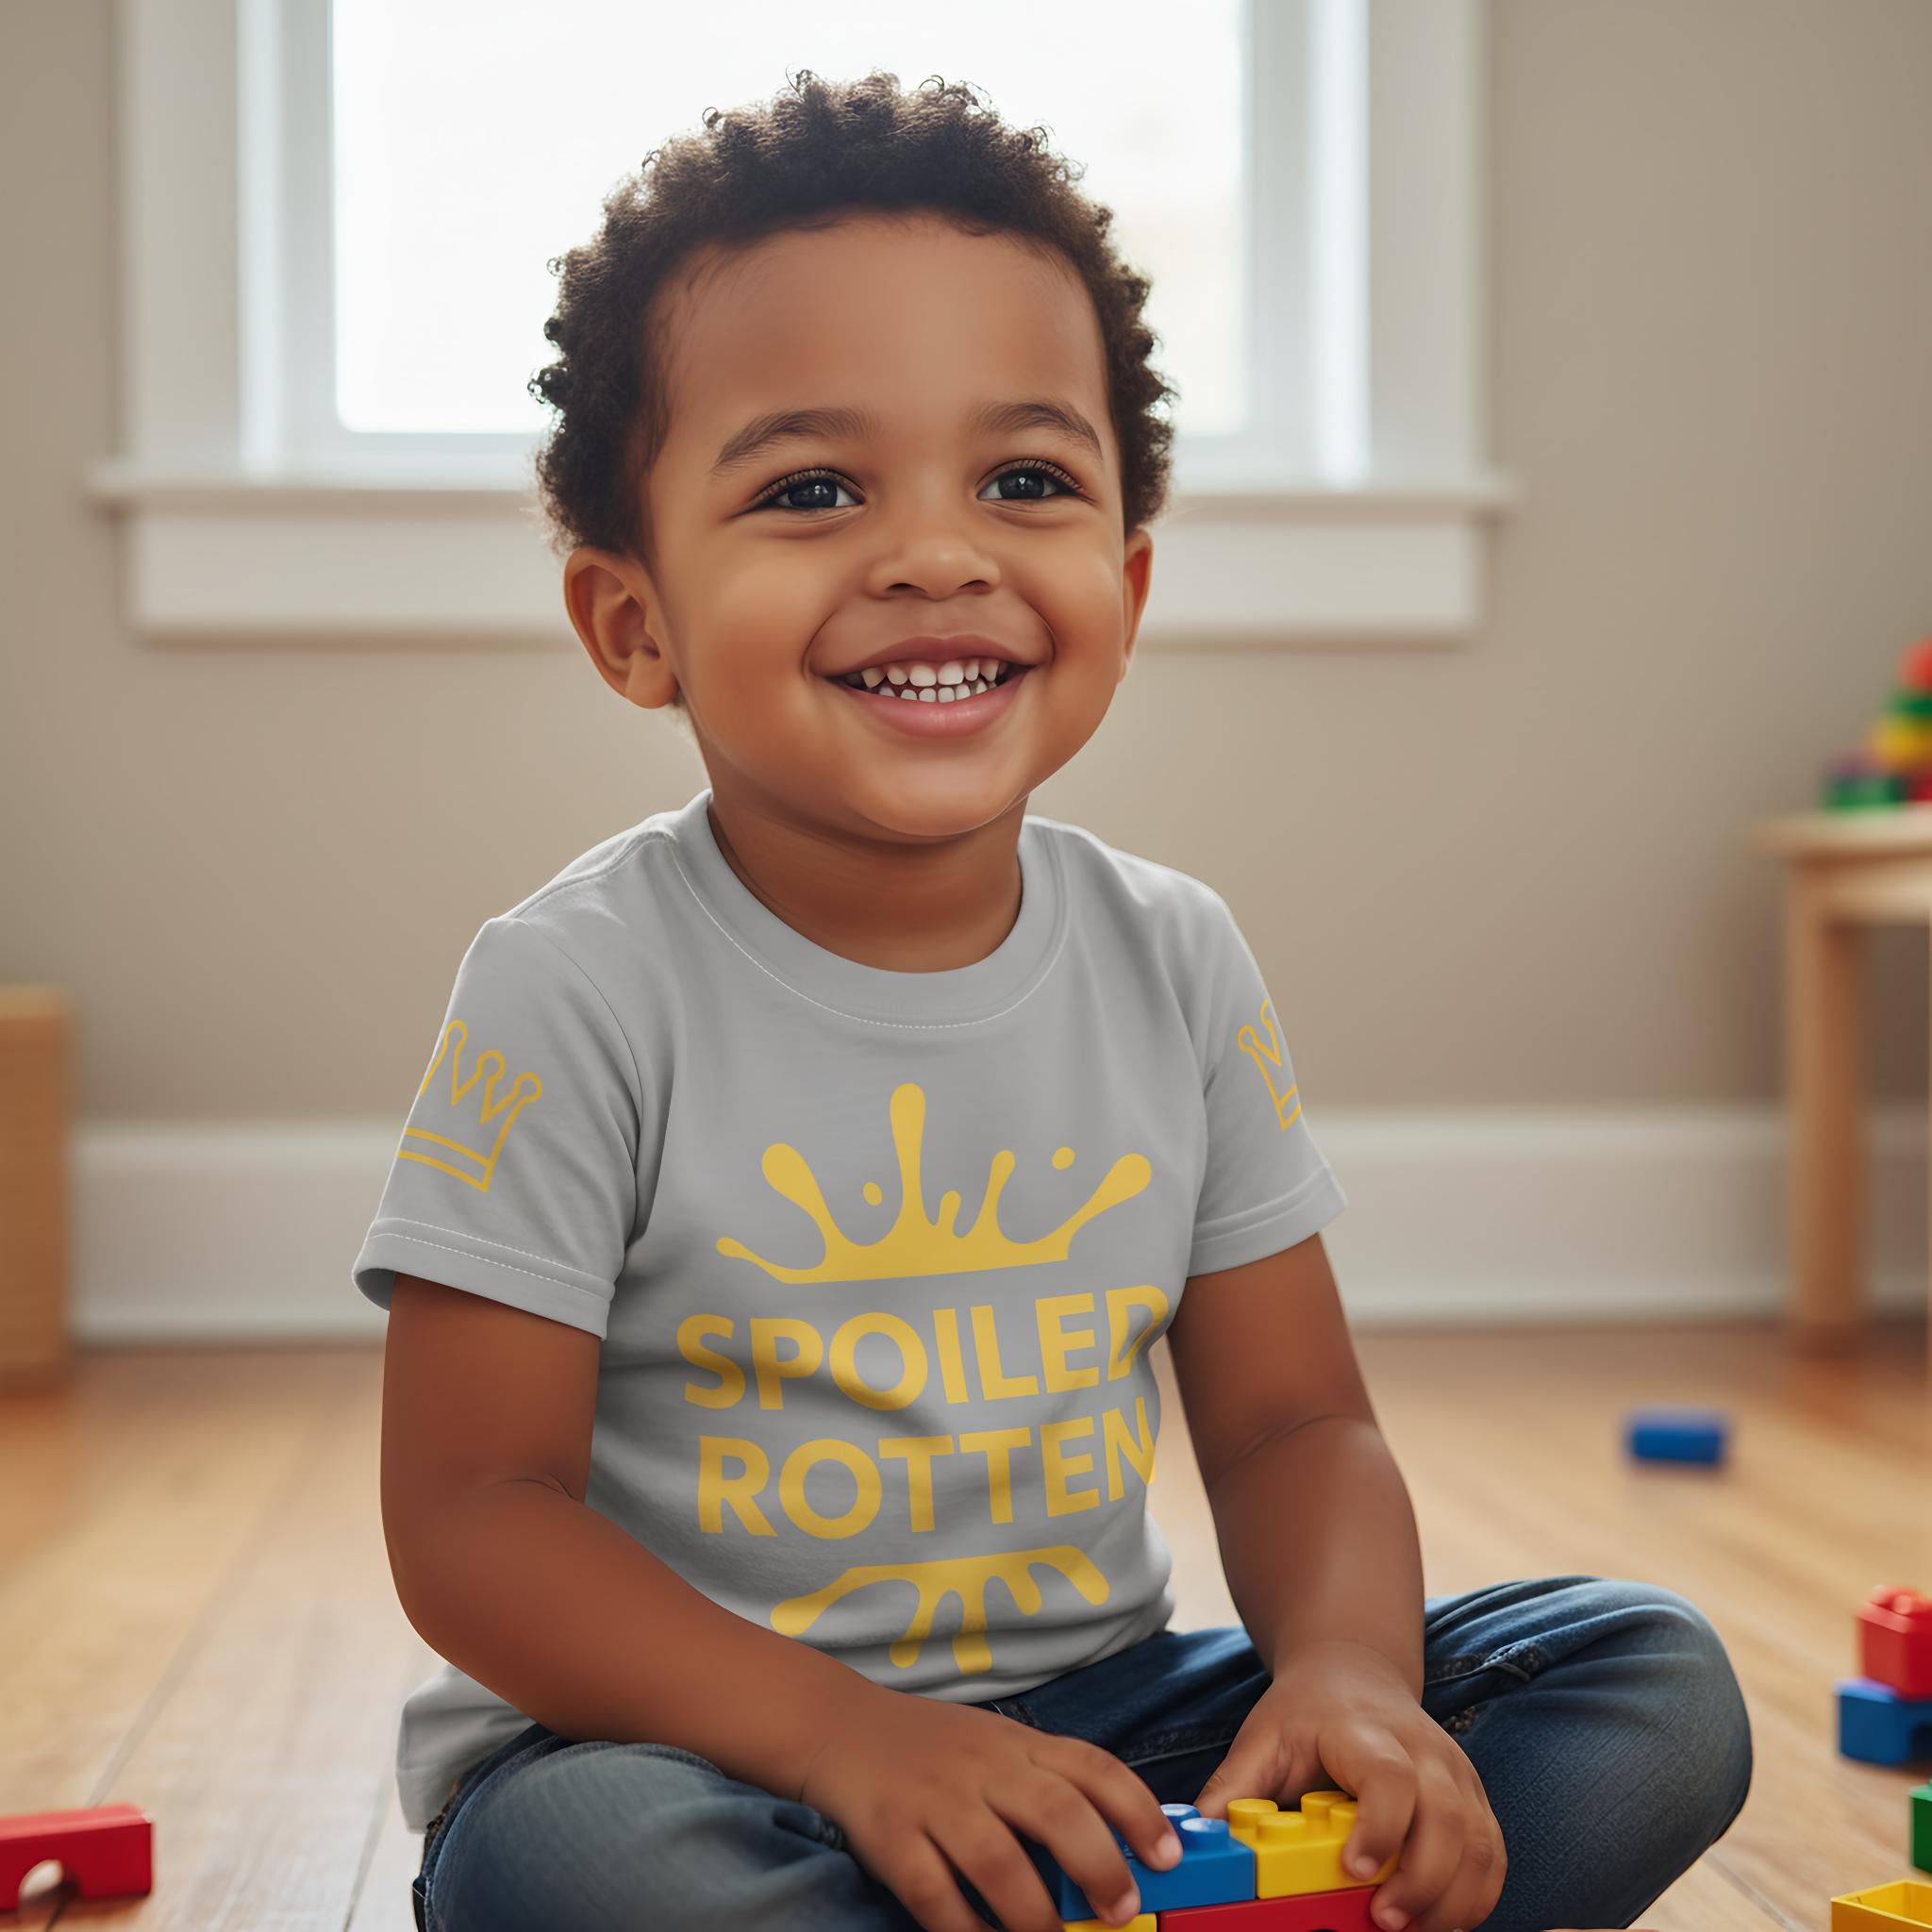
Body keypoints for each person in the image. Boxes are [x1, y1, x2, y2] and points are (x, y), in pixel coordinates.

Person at [353, 68, 1751, 1932]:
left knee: (1645, 1677)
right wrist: (843, 1737)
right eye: (812, 487)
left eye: (1024, 480)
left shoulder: (1171, 958)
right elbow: (475, 1517)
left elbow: (1288, 1430)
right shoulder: (571, 986)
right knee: (578, 1866)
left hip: (1113, 1739)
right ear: (635, 623)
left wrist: (1347, 1679)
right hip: (708, 1752)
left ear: (1126, 576)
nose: (938, 552)